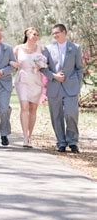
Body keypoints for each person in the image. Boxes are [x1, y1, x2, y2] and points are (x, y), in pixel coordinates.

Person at [41, 24, 83, 153]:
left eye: (57, 32)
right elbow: (43, 67)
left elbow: (79, 68)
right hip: (54, 87)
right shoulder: (47, 49)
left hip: (71, 87)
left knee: (71, 114)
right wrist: (54, 76)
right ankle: (61, 142)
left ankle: (73, 141)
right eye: (53, 33)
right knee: (56, 116)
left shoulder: (75, 48)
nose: (55, 35)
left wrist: (77, 83)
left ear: (64, 32)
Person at [12, 27, 45, 148]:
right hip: (22, 79)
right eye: (34, 34)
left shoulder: (41, 49)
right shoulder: (18, 49)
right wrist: (13, 64)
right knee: (24, 106)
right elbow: (9, 61)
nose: (36, 36)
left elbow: (46, 63)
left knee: (33, 108)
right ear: (27, 34)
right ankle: (25, 137)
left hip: (36, 79)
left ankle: (30, 136)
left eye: (37, 34)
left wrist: (41, 65)